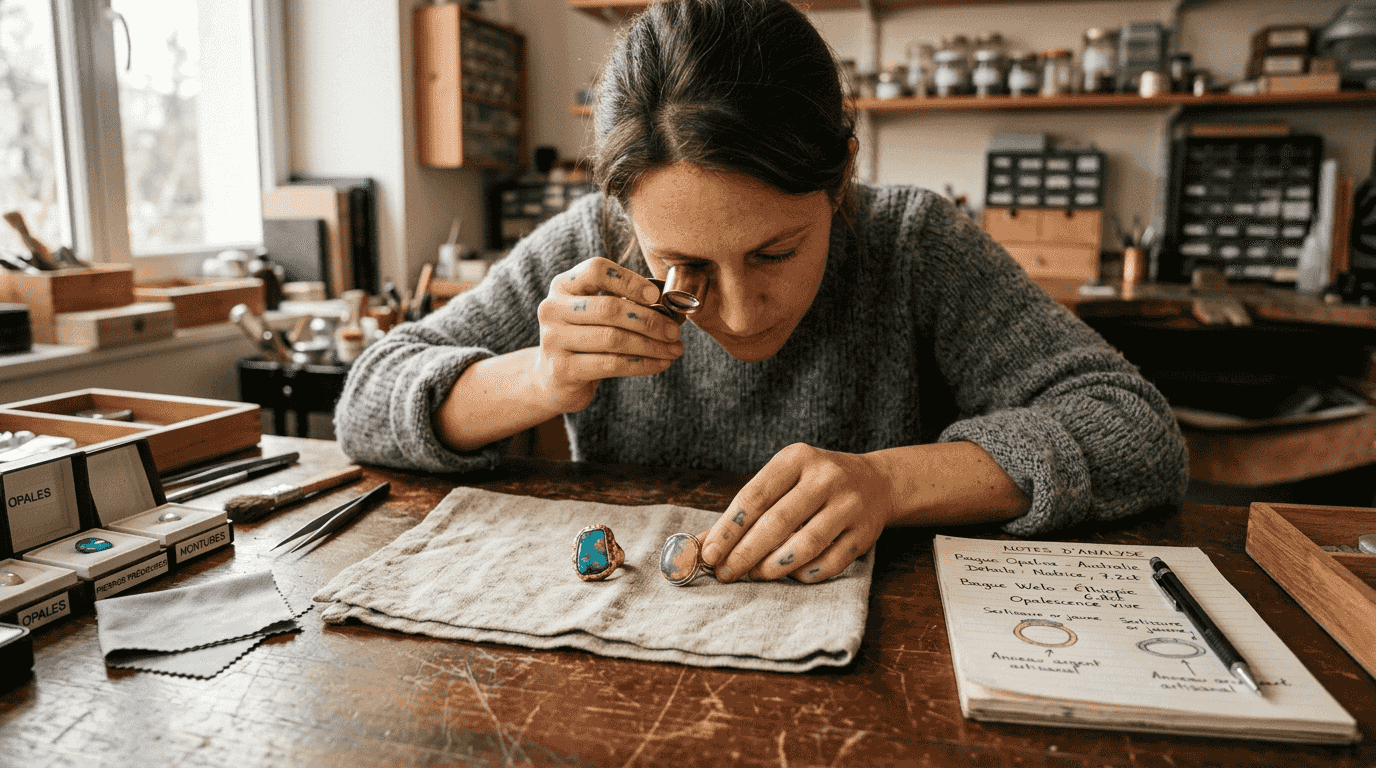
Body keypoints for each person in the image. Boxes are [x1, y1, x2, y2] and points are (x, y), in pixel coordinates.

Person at [334, 0, 1187, 585]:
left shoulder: (912, 244)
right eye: (685, 268)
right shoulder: (590, 245)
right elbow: (364, 402)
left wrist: (889, 484)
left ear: (843, 175)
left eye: (775, 252)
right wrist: (536, 380)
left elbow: (1135, 430)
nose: (737, 314)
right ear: (623, 207)